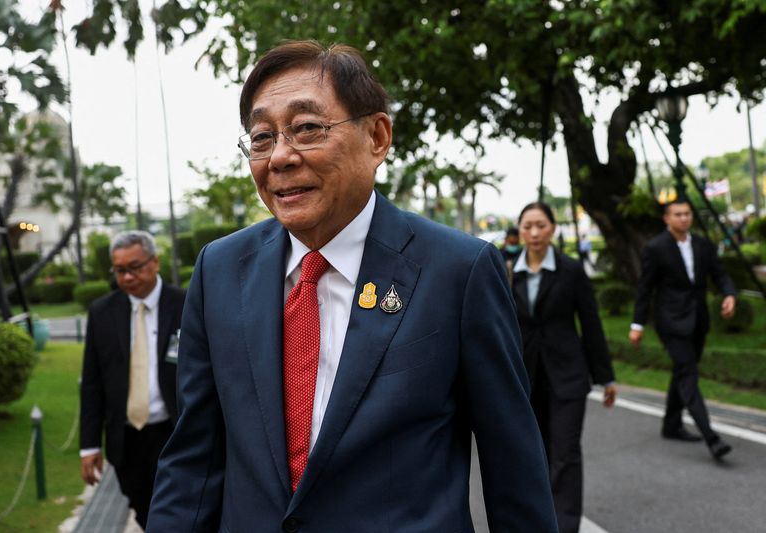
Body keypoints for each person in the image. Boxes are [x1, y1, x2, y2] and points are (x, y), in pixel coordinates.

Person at [147, 41, 557, 532]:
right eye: (261, 138)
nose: (280, 157)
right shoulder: (219, 271)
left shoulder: (458, 271)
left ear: (377, 137)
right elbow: (193, 462)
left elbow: (513, 468)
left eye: (306, 128)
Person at [511, 201, 616, 533]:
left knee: (566, 452)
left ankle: (566, 525)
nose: (534, 233)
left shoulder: (571, 270)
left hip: (568, 374)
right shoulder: (507, 270)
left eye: (541, 225)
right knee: (535, 451)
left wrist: (606, 377)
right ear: (520, 231)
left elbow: (591, 323)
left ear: (553, 229)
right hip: (526, 376)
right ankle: (541, 517)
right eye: (527, 226)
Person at [79, 231, 186, 529]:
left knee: (177, 510)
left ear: (155, 262)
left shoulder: (186, 304)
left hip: (173, 431)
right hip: (126, 439)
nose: (127, 277)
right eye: (119, 270)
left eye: (135, 267)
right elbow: (92, 382)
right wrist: (89, 446)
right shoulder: (102, 312)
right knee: (143, 510)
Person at [630, 199, 736, 460]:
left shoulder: (702, 244)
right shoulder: (655, 248)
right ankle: (712, 438)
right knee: (688, 374)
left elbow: (720, 274)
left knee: (682, 370)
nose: (684, 218)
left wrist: (729, 294)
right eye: (678, 214)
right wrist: (637, 324)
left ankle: (671, 424)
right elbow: (645, 289)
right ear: (667, 219)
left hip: (698, 319)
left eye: (687, 214)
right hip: (670, 322)